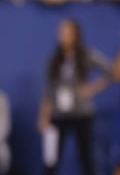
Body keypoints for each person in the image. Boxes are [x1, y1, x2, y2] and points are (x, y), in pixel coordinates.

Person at [37, 18, 112, 175]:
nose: (63, 36)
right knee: (52, 159)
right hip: (59, 114)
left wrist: (91, 88)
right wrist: (44, 116)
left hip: (82, 113)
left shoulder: (87, 55)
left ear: (76, 36)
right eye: (61, 33)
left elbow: (111, 72)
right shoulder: (54, 61)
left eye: (67, 33)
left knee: (86, 158)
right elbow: (49, 91)